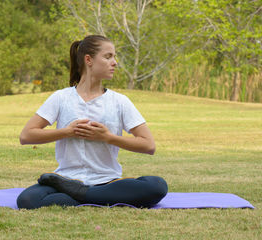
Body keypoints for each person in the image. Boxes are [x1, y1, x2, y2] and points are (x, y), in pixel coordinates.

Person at [17, 35, 167, 209]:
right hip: (65, 179)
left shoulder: (120, 101)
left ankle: (81, 193)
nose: (115, 62)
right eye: (108, 56)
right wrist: (67, 132)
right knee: (27, 200)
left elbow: (148, 145)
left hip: (108, 182)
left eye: (114, 57)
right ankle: (91, 196)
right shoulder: (61, 98)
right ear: (88, 60)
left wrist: (107, 137)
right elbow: (26, 136)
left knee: (157, 186)